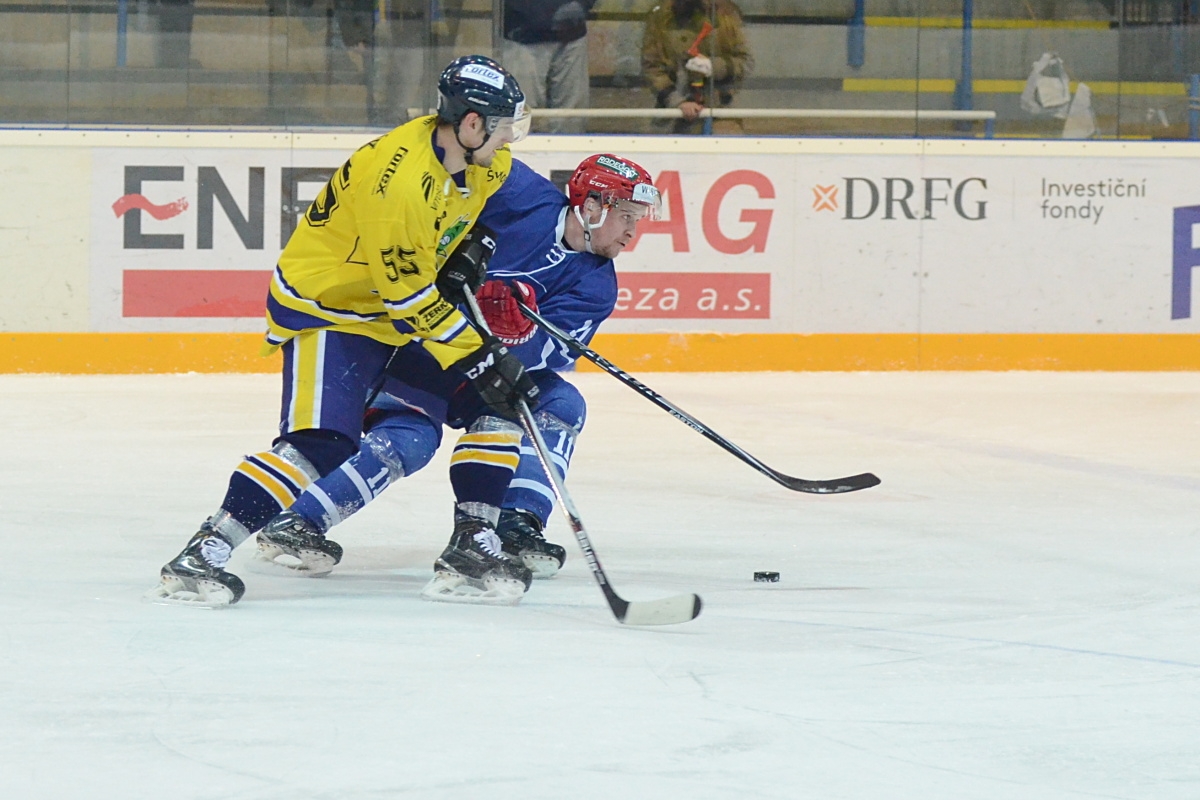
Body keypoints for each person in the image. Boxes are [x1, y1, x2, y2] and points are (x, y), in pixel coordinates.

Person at [146, 55, 535, 608]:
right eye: (502, 128)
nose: (509, 141)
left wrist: (473, 249)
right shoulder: (398, 183)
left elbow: (485, 219)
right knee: (320, 444)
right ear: (471, 124)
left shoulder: (482, 162)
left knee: (501, 406)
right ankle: (202, 553)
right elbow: (408, 299)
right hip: (331, 311)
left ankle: (473, 544)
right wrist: (479, 352)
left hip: (390, 310)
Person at [251, 153, 662, 605]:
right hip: (417, 344)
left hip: (485, 368)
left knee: (560, 403)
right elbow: (453, 169)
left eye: (636, 220)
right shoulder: (523, 195)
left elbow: (547, 354)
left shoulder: (597, 285)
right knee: (410, 439)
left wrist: (513, 330)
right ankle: (300, 520)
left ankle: (516, 523)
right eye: (626, 216)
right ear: (592, 207)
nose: (631, 232)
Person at [641, 0, 753, 135]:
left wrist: (713, 66)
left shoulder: (726, 14)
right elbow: (652, 68)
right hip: (676, 115)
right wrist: (678, 102)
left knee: (727, 149)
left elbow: (745, 62)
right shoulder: (661, 18)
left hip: (721, 109)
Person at [502, 0, 597, 134]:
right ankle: (520, 154)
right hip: (522, 35)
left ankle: (569, 155)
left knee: (571, 117)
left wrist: (582, 5)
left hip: (572, 35)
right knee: (521, 115)